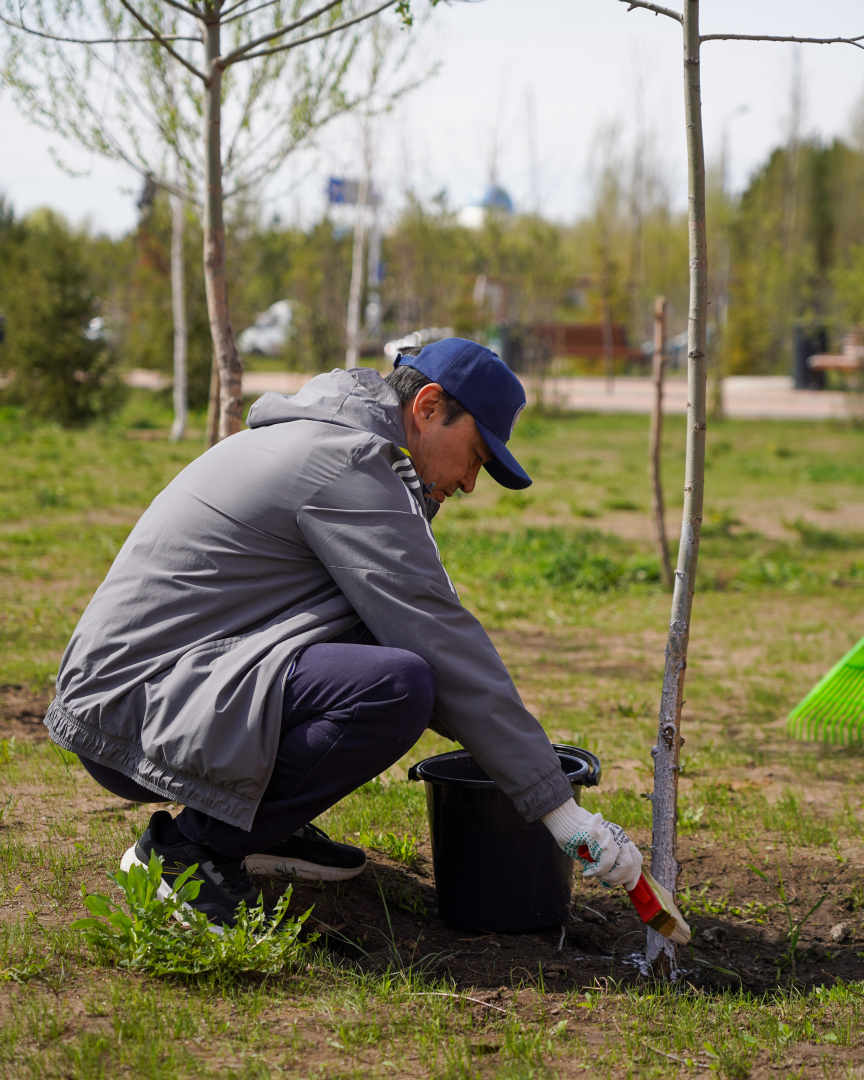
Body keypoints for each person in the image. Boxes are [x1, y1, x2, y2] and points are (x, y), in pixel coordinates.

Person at [45, 338, 642, 928]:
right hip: (130, 711)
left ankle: (260, 824)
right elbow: (436, 636)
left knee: (381, 652)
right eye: (476, 456)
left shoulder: (337, 441)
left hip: (152, 690)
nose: (468, 484)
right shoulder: (346, 463)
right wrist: (559, 811)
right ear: (429, 406)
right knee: (396, 686)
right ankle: (190, 853)